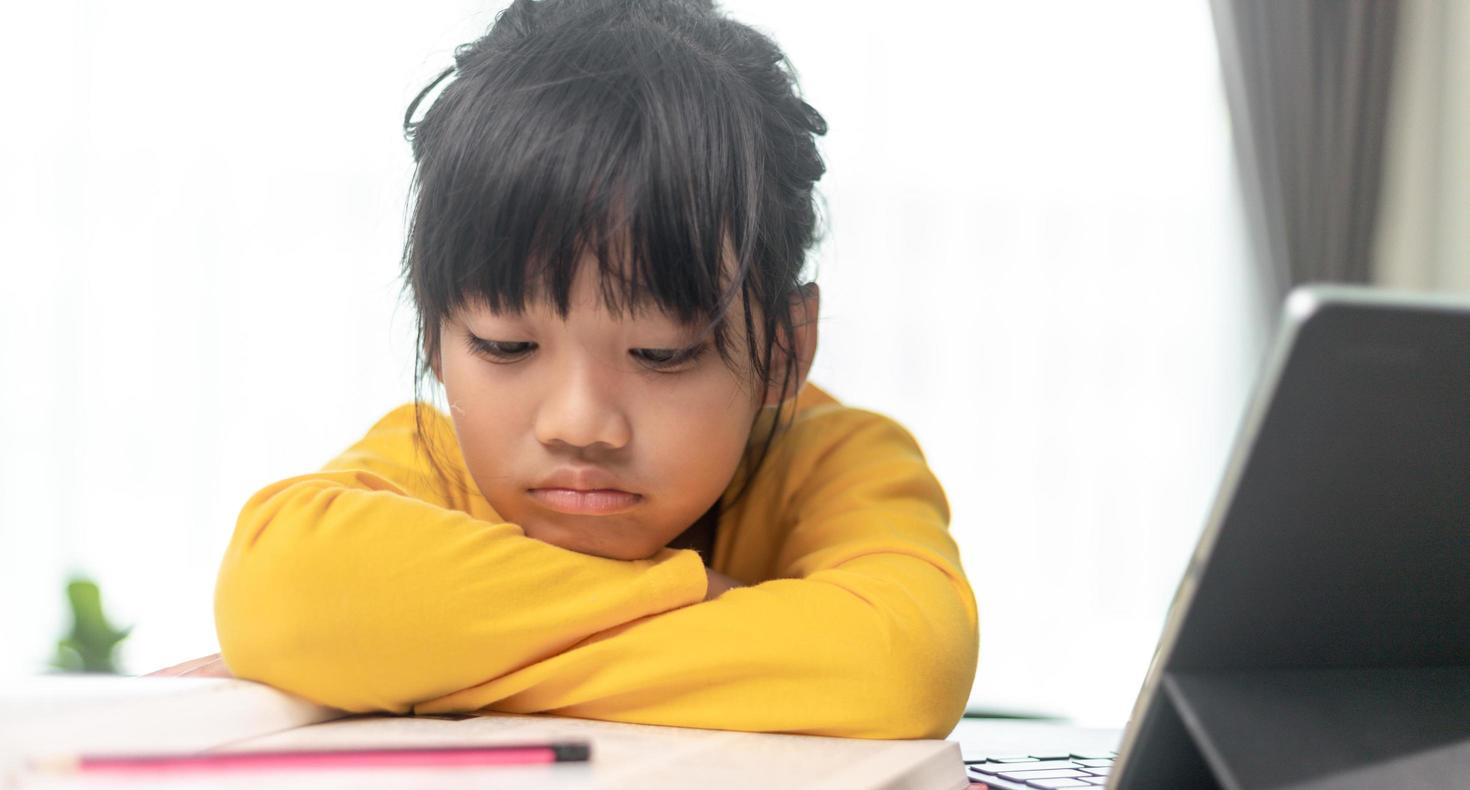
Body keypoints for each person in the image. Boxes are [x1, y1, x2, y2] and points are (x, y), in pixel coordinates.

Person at [158, 0, 978, 739]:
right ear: (435, 336)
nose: (580, 424)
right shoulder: (429, 464)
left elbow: (906, 666)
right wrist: (729, 608)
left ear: (785, 351)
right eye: (507, 348)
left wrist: (424, 663)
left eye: (663, 353)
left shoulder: (832, 459)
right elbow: (284, 592)